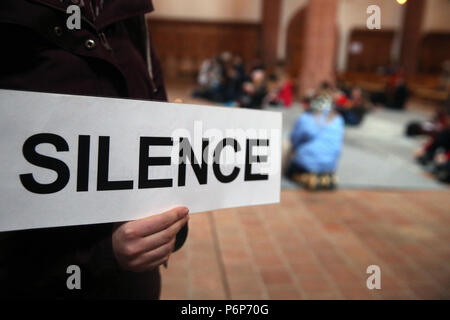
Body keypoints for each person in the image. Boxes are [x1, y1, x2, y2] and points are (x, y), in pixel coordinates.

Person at [0, 0, 188, 299]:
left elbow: (158, 119)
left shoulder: (127, 11)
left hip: (135, 284)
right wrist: (100, 256)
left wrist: (168, 218)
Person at [286, 95, 344, 190]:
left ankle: (304, 177)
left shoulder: (306, 118)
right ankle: (325, 178)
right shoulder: (338, 120)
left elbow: (294, 139)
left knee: (287, 147)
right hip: (330, 165)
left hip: (306, 163)